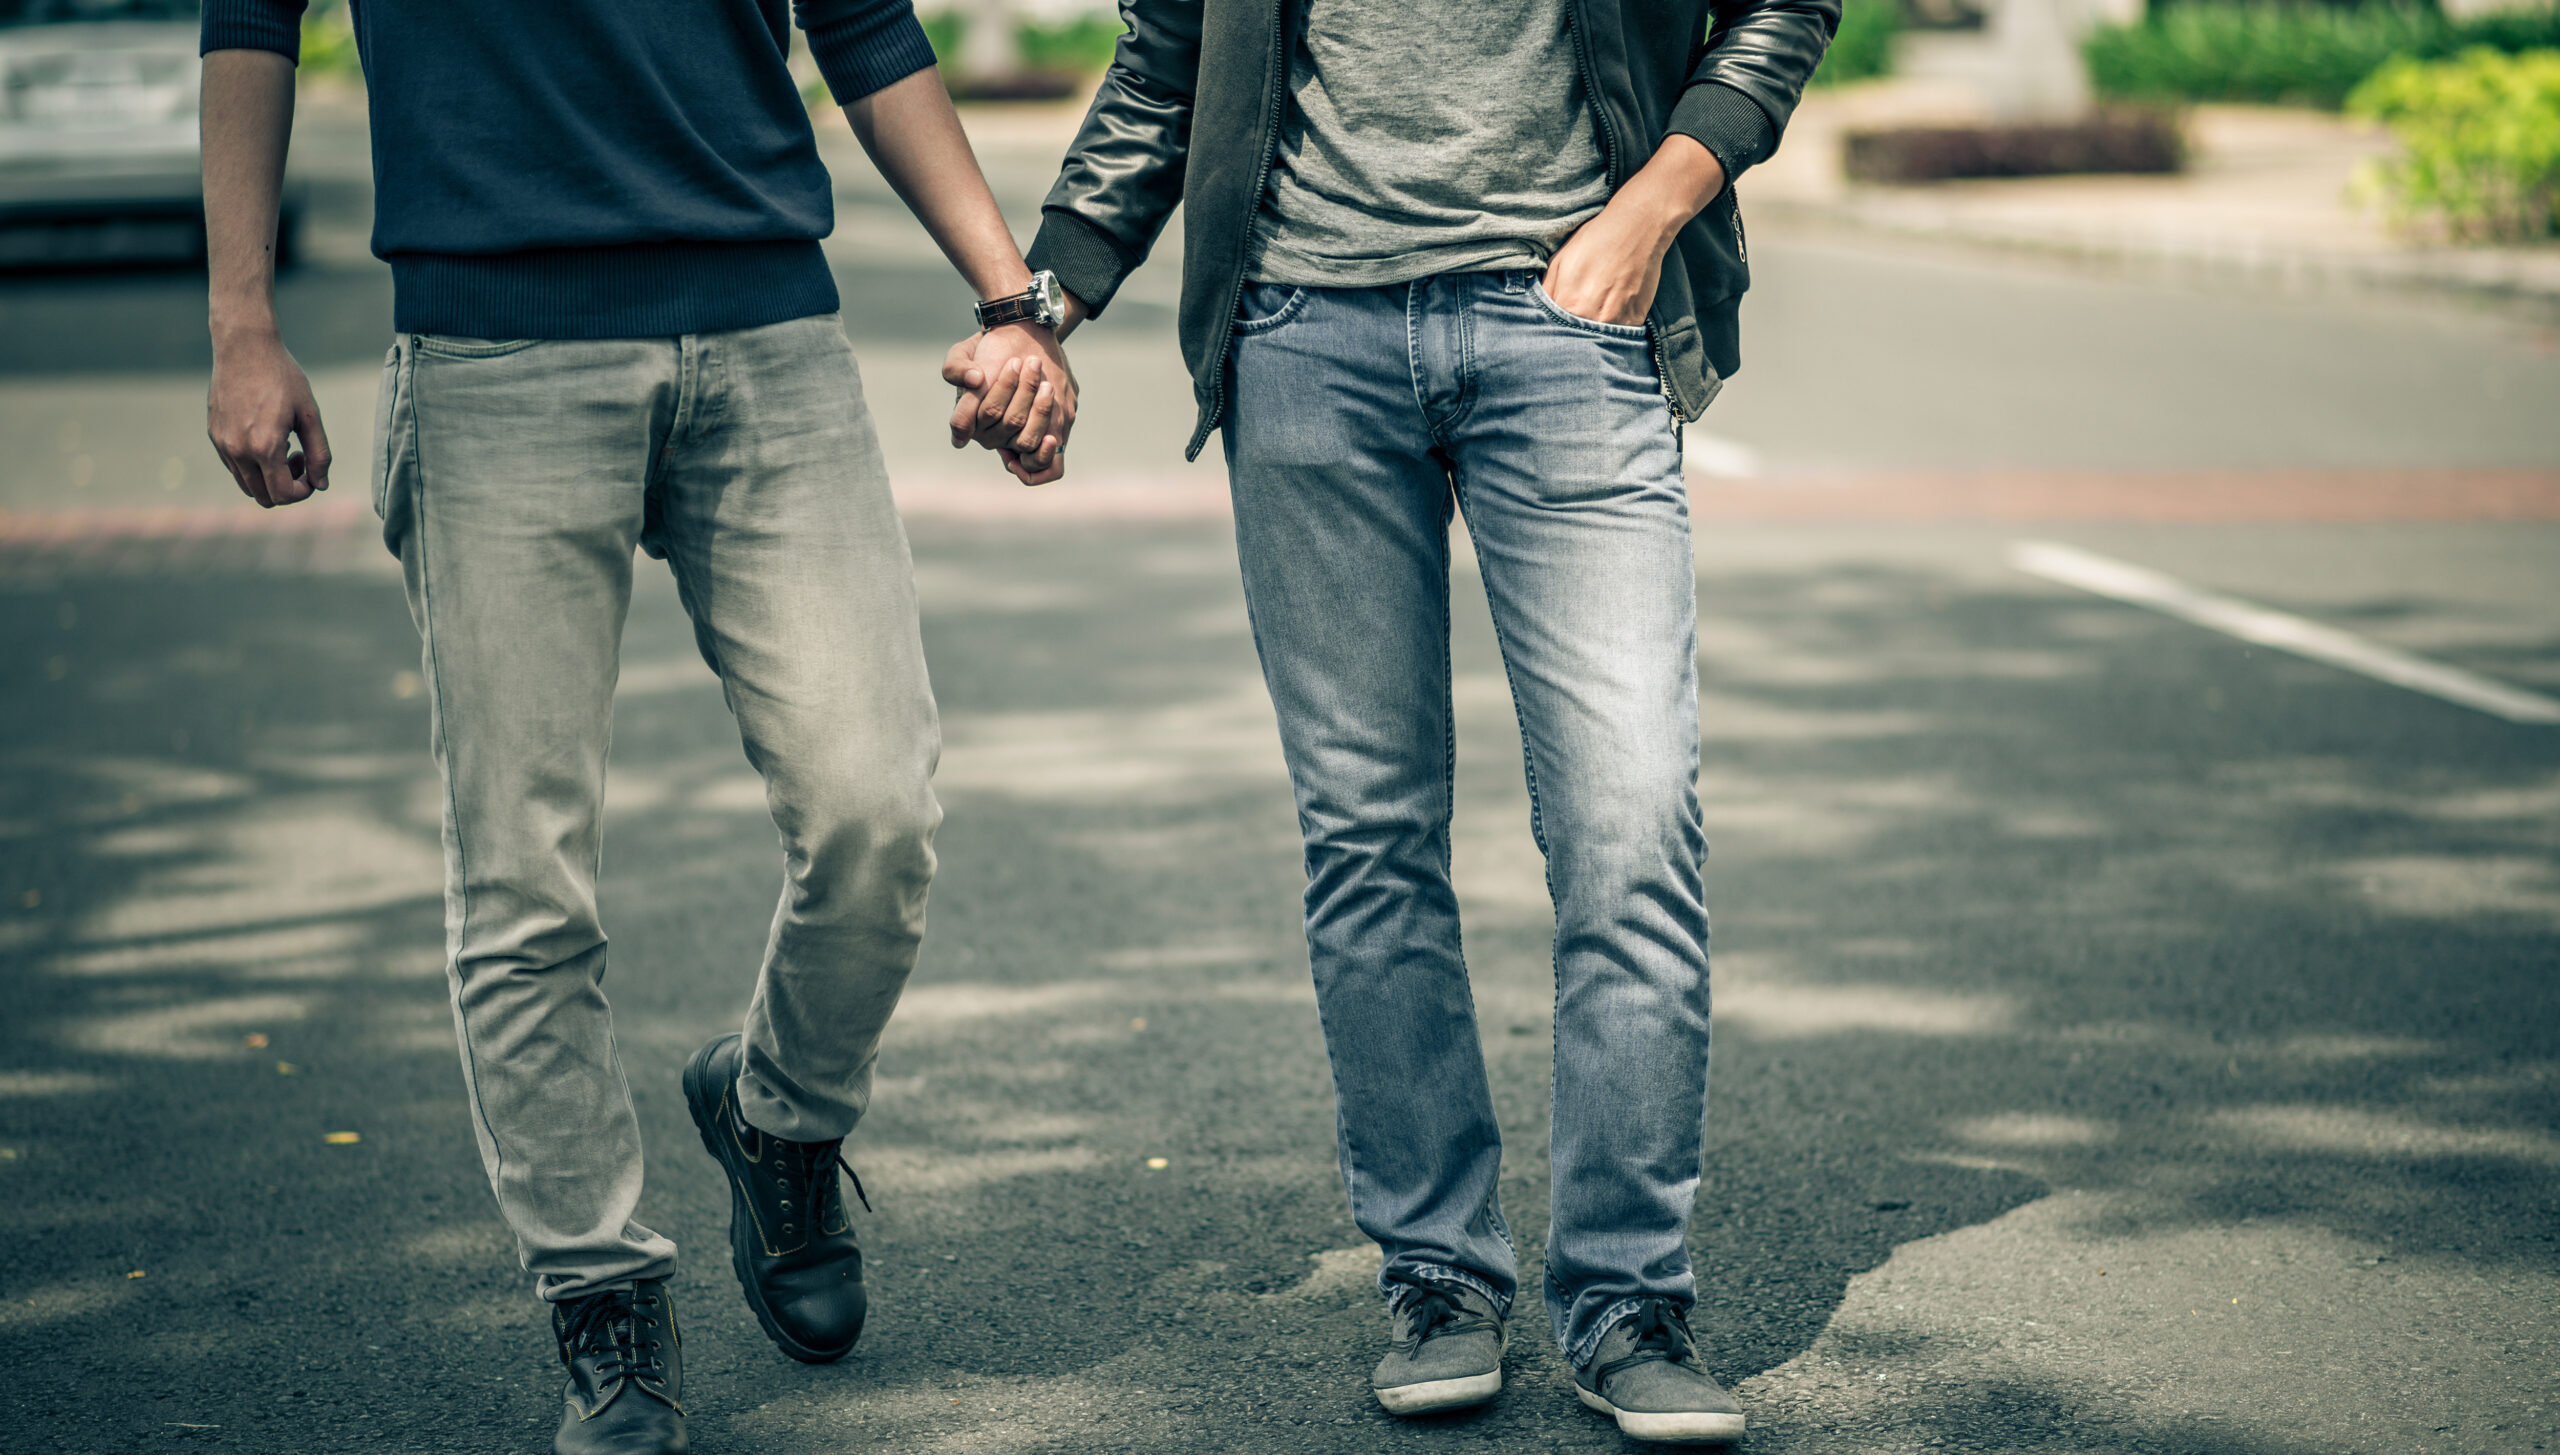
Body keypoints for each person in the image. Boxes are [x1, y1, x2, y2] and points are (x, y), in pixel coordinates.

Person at [947, 0, 1831, 1442]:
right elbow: (1169, 64)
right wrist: (1039, 307)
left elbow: (1778, 8)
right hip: (1306, 337)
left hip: (1570, 320)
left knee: (1631, 824)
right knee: (1369, 833)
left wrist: (1659, 201)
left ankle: (1628, 1299)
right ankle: (1437, 1275)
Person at [199, 2, 1075, 1450]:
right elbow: (251, 16)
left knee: (877, 806)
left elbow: (860, 23)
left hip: (768, 331)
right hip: (492, 351)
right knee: (524, 878)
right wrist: (242, 323)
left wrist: (1011, 305)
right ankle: (602, 1298)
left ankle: (779, 1118)